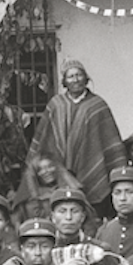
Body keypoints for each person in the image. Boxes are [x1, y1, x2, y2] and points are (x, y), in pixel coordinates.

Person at [26, 61, 123, 212]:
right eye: (70, 76)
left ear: (86, 78)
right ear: (64, 81)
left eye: (79, 75)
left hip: (90, 173)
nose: (76, 79)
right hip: (58, 173)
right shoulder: (55, 104)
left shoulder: (98, 105)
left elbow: (109, 140)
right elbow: (44, 139)